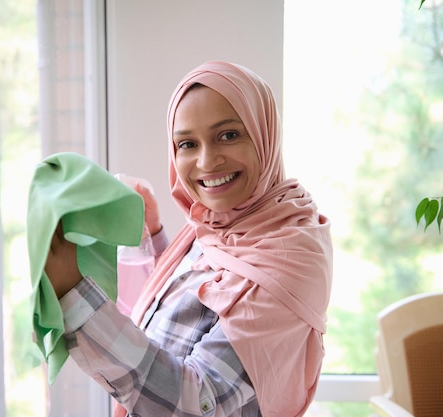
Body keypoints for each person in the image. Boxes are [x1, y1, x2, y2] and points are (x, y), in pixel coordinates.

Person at [44, 60, 333, 417]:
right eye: (187, 143)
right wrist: (155, 238)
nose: (207, 161)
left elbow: (196, 404)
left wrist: (74, 297)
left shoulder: (288, 255)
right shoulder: (220, 224)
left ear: (264, 134)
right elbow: (195, 310)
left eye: (228, 135)